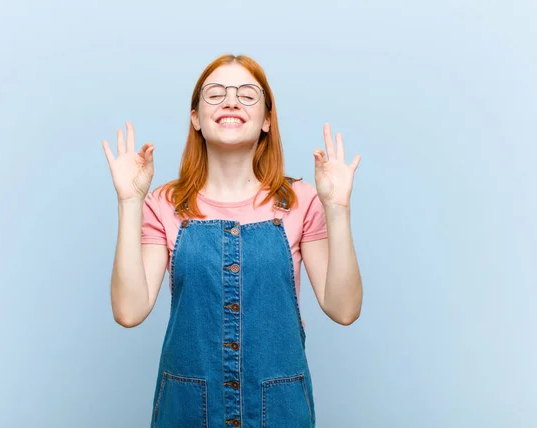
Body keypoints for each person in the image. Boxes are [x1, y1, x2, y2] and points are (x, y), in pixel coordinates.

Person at [102, 53, 363, 428]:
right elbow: (129, 311)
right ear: (195, 117)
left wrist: (337, 208)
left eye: (247, 93)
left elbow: (345, 309)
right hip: (188, 412)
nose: (230, 101)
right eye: (215, 94)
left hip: (279, 412)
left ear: (267, 120)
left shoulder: (301, 200)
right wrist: (130, 202)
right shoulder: (163, 204)